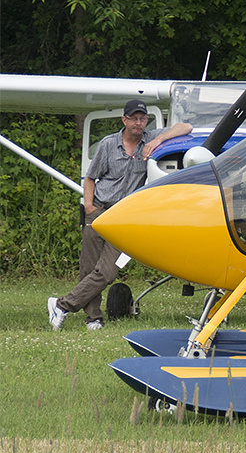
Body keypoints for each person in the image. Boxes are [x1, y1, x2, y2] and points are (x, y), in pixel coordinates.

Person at [48, 99, 192, 331]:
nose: (138, 122)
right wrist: (89, 208)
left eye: (142, 118)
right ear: (124, 120)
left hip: (124, 216)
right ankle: (93, 318)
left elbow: (185, 127)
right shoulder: (108, 144)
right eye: (133, 118)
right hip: (99, 209)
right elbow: (90, 178)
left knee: (108, 272)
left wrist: (158, 140)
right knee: (88, 268)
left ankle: (62, 305)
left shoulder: (150, 139)